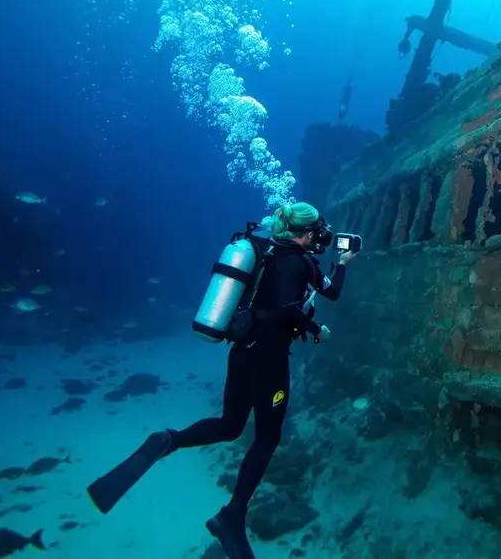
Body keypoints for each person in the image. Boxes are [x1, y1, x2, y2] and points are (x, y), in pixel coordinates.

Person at [86, 202, 355, 559]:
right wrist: (317, 327)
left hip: (242, 352)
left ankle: (170, 440)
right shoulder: (299, 262)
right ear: (305, 232)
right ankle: (233, 515)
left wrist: (338, 267)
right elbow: (297, 305)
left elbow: (306, 295)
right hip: (269, 360)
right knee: (267, 436)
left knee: (230, 424)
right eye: (317, 231)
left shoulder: (268, 253)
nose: (320, 237)